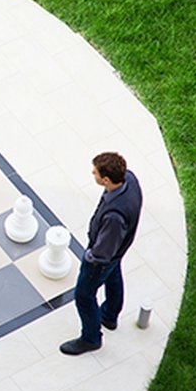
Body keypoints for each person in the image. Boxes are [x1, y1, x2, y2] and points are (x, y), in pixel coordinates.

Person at [60, 152, 142, 355]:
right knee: (113, 276)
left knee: (84, 296)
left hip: (103, 257)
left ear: (106, 180)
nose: (92, 173)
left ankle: (91, 338)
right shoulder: (129, 179)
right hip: (118, 250)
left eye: (95, 172)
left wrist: (90, 257)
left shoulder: (115, 217)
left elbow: (103, 253)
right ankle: (109, 316)